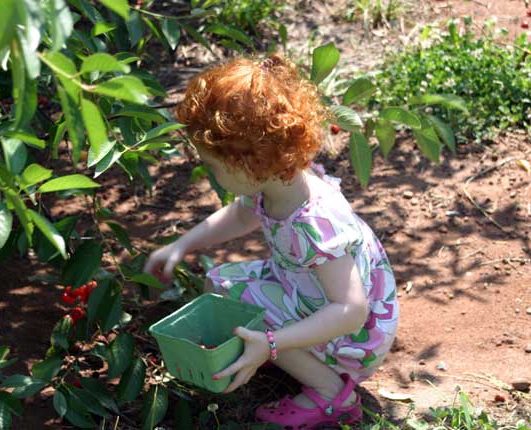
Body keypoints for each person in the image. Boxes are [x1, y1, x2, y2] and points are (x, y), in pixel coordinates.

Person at [143, 53, 399, 429]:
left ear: (249, 164)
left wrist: (273, 342)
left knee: (246, 310)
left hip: (354, 336)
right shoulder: (277, 183)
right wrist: (183, 244)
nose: (207, 173)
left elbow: (352, 310)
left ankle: (331, 392)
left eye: (213, 165)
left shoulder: (314, 224)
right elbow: (243, 214)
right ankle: (283, 351)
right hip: (307, 291)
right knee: (223, 287)